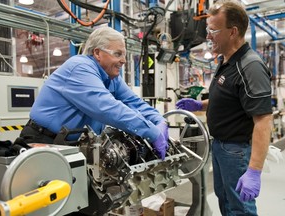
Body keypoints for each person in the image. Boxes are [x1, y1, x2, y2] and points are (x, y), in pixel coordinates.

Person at [176, 1, 272, 215]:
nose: (208, 36)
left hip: (236, 150)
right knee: (226, 202)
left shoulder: (250, 66)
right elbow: (233, 98)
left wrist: (254, 171)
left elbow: (263, 120)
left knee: (240, 209)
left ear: (233, 32)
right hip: (220, 146)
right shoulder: (227, 61)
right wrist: (200, 104)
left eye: (213, 30)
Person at [19, 26, 168, 160]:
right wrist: (152, 132)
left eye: (124, 55)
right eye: (117, 54)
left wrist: (159, 121)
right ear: (97, 52)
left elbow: (134, 102)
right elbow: (108, 108)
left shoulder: (111, 77)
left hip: (70, 144)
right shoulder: (79, 68)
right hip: (42, 141)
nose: (123, 61)